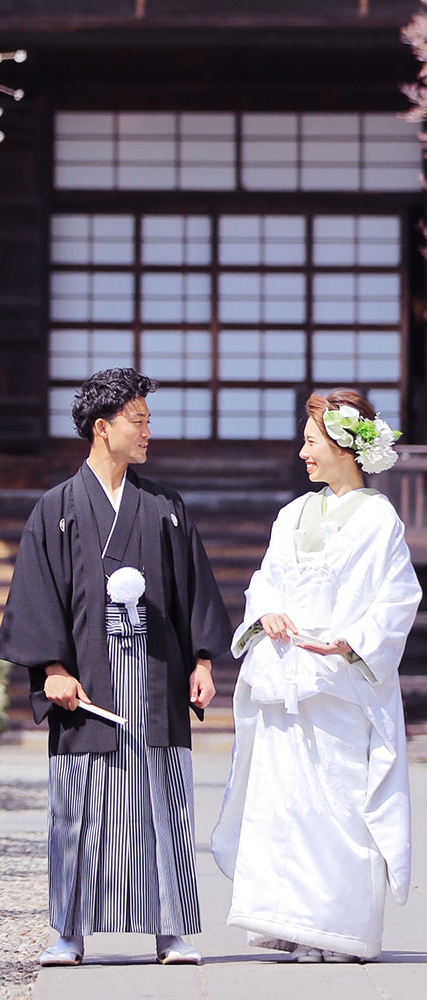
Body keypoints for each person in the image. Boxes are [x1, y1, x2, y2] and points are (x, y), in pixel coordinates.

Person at [0, 368, 232, 967]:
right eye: (138, 420)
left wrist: (203, 658)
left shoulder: (165, 508)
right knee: (78, 808)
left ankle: (170, 931)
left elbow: (192, 590)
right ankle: (70, 932)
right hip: (86, 683)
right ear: (102, 429)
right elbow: (37, 594)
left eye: (148, 419)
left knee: (163, 805)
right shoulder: (56, 509)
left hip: (154, 679)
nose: (148, 430)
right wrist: (51, 666)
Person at [211, 388, 421, 963]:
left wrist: (353, 642)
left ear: (345, 447)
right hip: (286, 674)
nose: (303, 453)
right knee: (287, 804)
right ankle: (294, 924)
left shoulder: (380, 519)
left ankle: (344, 930)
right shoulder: (291, 513)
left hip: (339, 677)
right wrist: (267, 612)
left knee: (342, 804)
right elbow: (266, 581)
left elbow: (399, 597)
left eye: (311, 442)